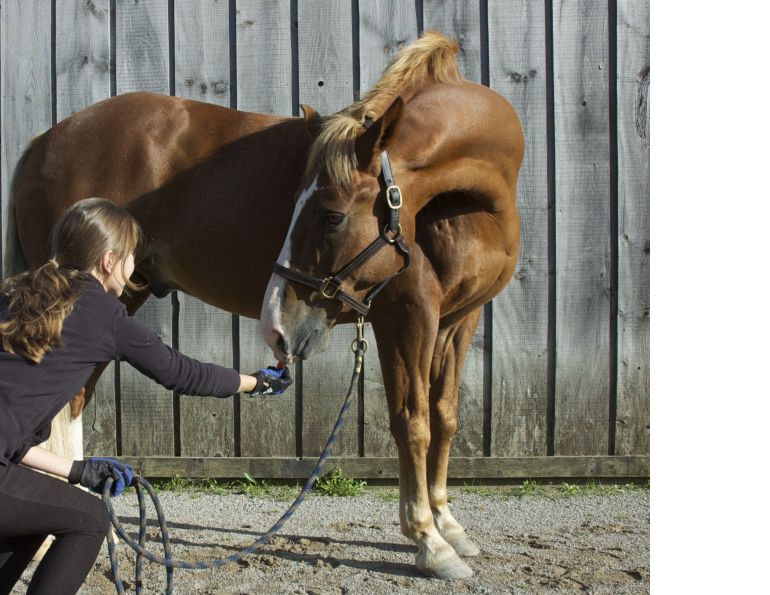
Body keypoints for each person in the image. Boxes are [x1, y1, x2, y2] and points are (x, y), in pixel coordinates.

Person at [0, 198, 291, 594]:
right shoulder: (102, 314)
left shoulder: (18, 296)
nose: (134, 267)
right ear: (109, 261)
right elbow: (181, 373)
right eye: (131, 257)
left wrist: (79, 471)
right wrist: (256, 382)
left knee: (45, 511)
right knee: (89, 519)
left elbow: (9, 439)